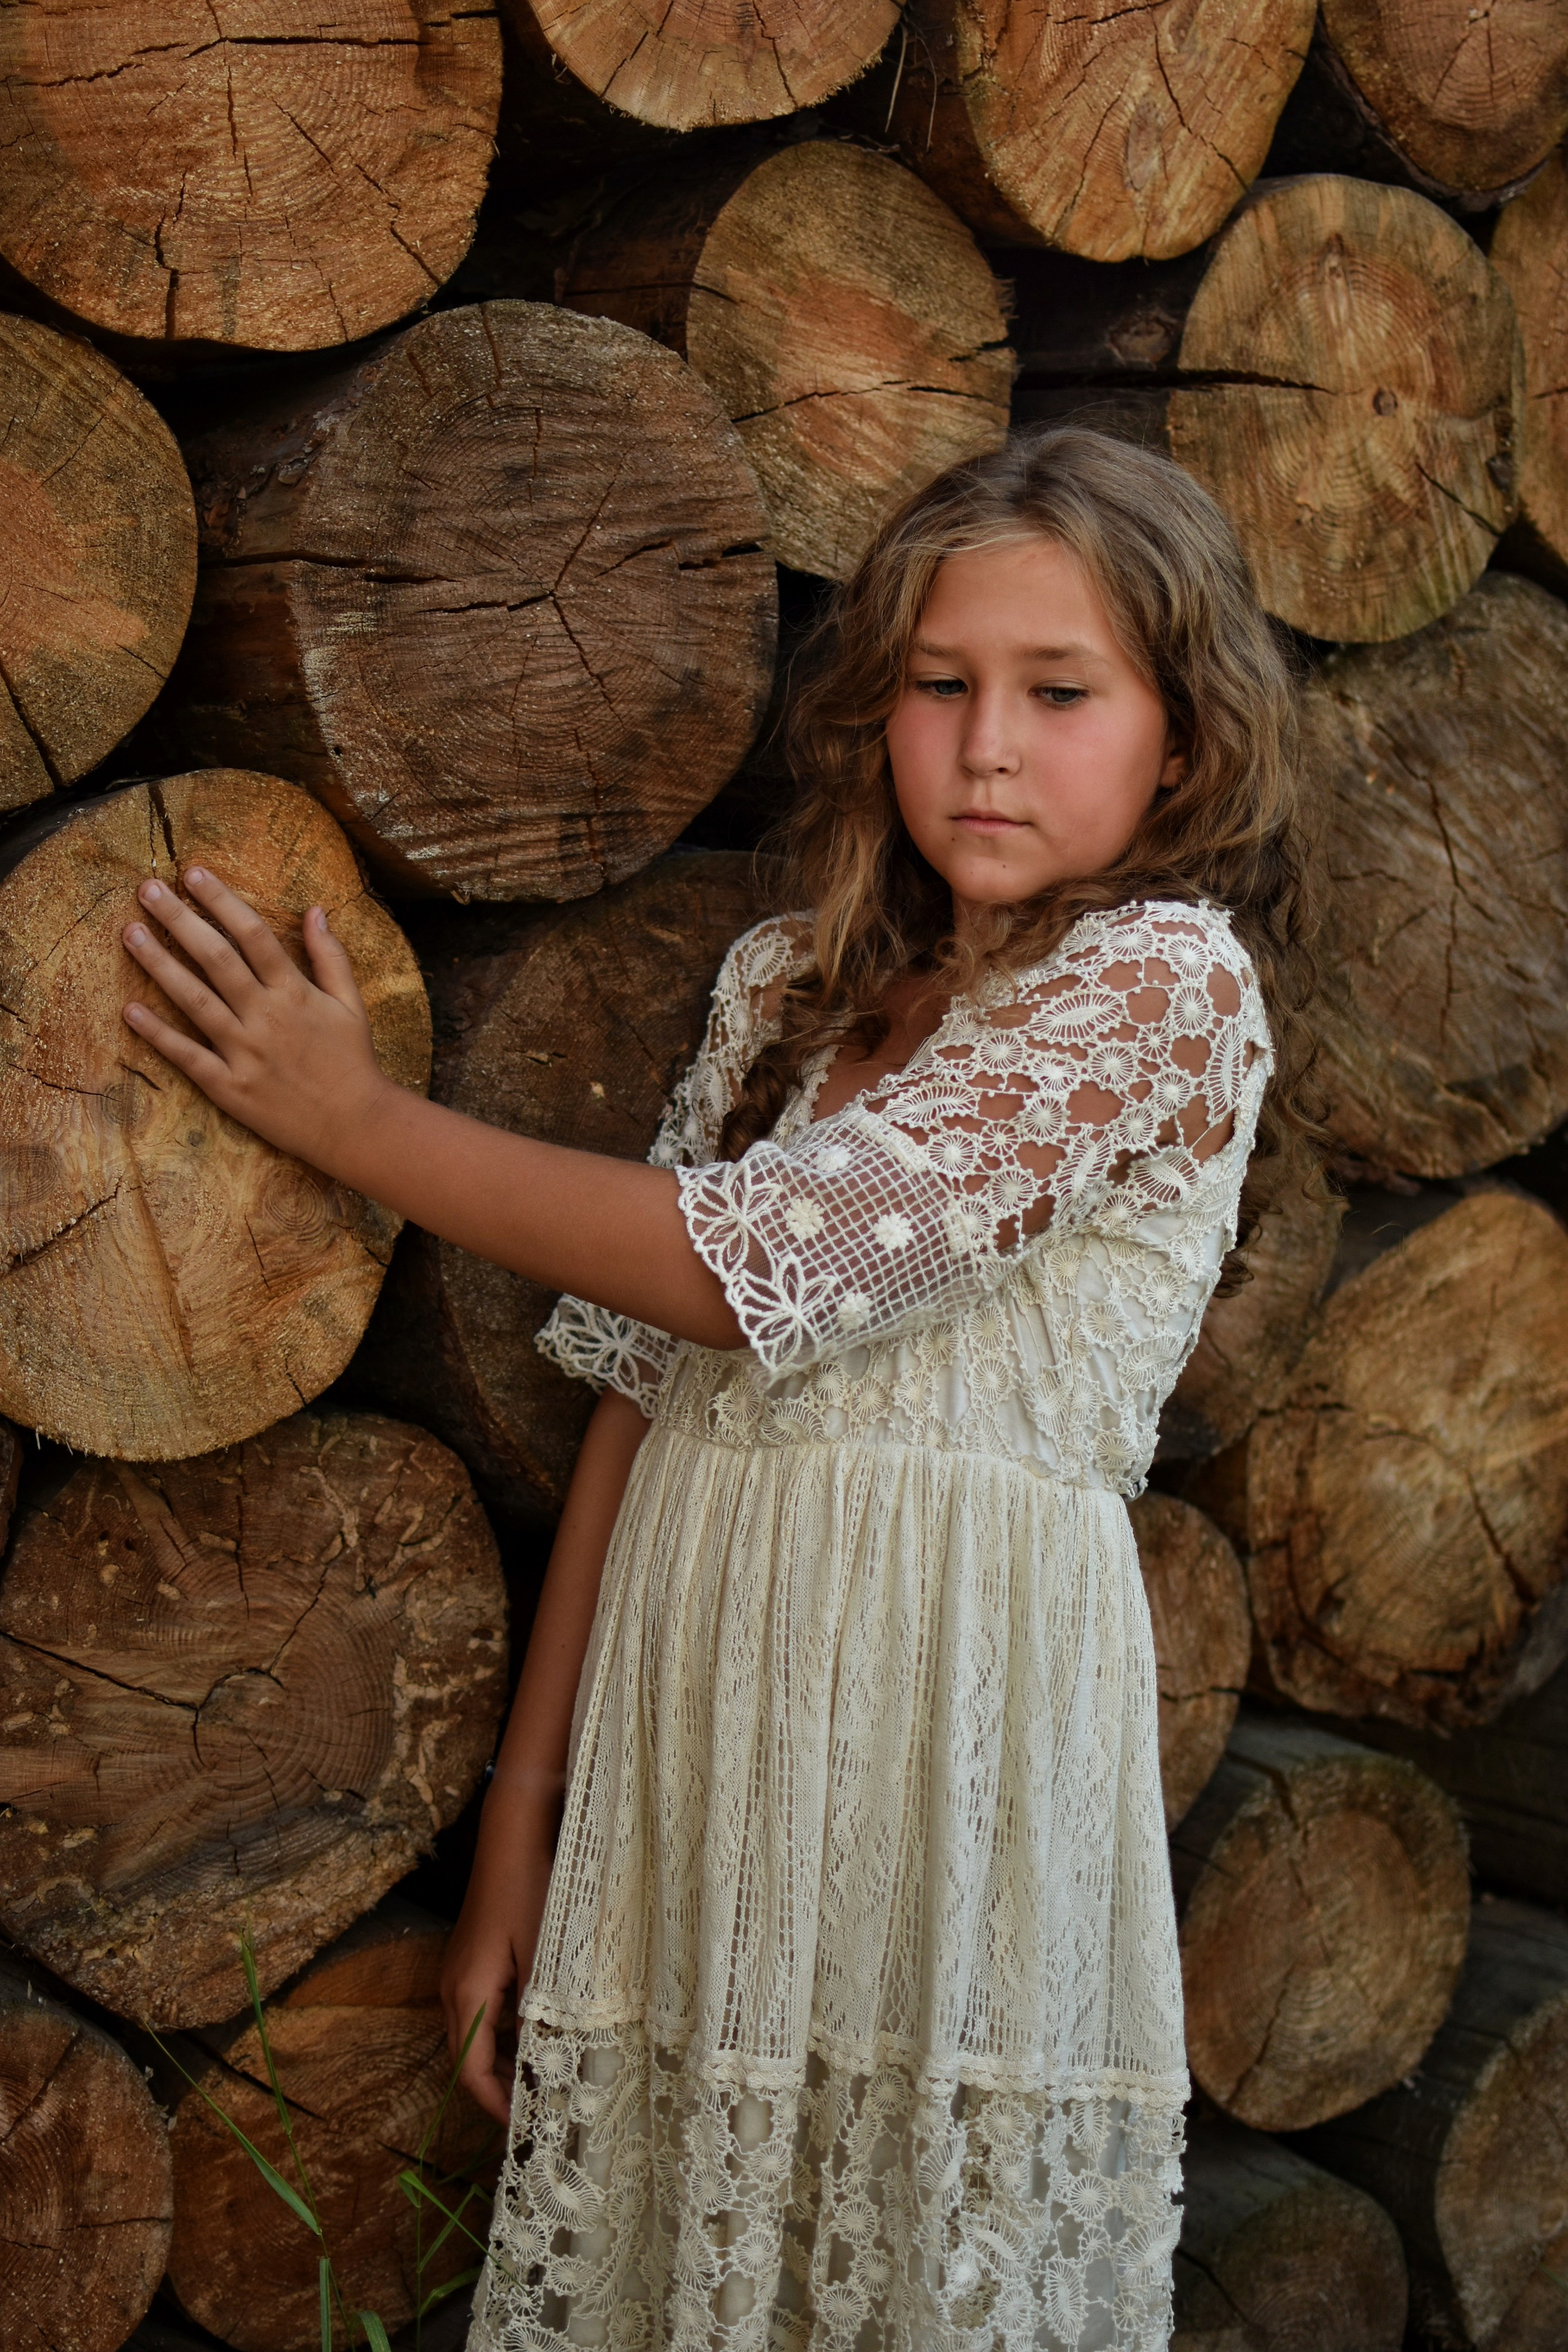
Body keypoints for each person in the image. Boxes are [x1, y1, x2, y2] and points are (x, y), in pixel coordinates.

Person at [119, 427, 1317, 2351]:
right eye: (940, 684)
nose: (987, 742)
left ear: (1181, 737)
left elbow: (739, 1270)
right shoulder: (788, 989)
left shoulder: (1164, 987)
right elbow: (649, 1393)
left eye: (1058, 691)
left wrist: (355, 1119)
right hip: (703, 1759)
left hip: (948, 1753)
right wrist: (526, 1807)